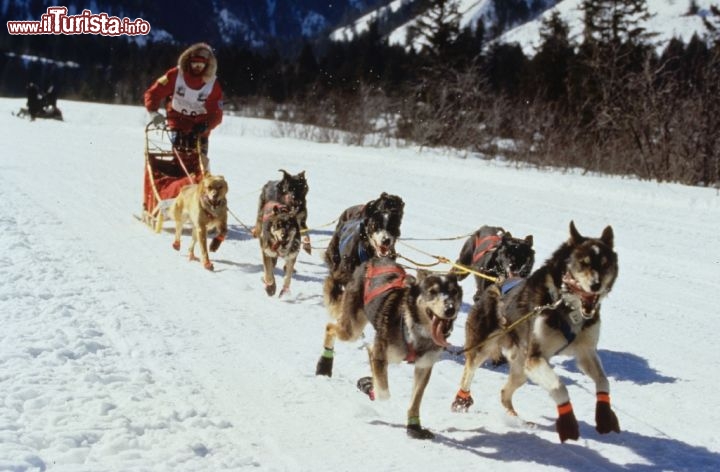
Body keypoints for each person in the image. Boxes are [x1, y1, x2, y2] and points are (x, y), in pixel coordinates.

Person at [144, 42, 223, 170]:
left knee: (200, 163)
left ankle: (201, 183)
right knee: (179, 160)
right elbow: (153, 93)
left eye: (201, 64)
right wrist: (153, 112)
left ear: (207, 64)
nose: (197, 67)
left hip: (200, 127)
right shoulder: (175, 75)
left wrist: (207, 125)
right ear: (188, 61)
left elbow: (217, 113)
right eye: (194, 63)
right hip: (178, 122)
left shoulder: (212, 84)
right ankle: (179, 183)